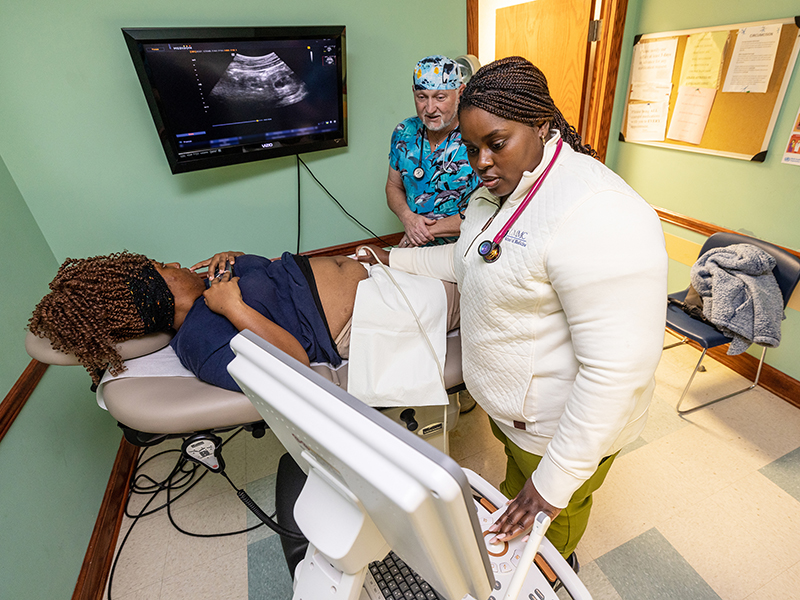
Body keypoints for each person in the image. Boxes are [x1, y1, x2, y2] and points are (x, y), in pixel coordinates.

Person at [359, 56, 668, 566]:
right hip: (517, 419)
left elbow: (617, 371)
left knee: (545, 535)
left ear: (541, 125)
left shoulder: (597, 211)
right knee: (511, 501)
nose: (480, 162)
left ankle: (549, 568)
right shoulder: (501, 188)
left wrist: (554, 482)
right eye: (471, 146)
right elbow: (471, 257)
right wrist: (389, 257)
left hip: (559, 432)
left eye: (495, 143)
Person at [28, 250, 459, 392]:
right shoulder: (203, 342)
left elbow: (278, 274)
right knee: (491, 281)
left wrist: (238, 259)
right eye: (163, 267)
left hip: (379, 267)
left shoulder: (209, 282)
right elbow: (295, 363)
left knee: (474, 253)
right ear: (159, 296)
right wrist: (235, 307)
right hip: (382, 312)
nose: (176, 262)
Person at [387, 55, 479, 248]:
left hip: (465, 248)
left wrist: (422, 231)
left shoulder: (476, 136)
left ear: (460, 92)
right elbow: (393, 186)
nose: (429, 108)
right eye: (422, 97)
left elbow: (490, 210)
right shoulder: (404, 132)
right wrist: (407, 218)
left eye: (440, 97)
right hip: (415, 245)